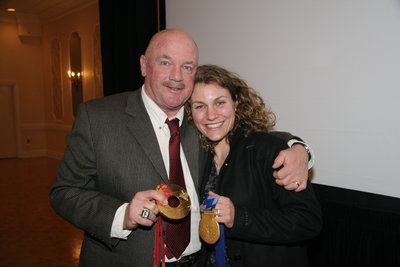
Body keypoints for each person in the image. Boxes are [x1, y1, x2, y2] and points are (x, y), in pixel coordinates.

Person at [50, 29, 313, 266]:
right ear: (144, 65)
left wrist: (298, 148)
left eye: (188, 67)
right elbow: (65, 191)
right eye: (166, 62)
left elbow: (249, 133)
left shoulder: (198, 119)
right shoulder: (98, 117)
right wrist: (122, 215)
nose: (177, 76)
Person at [187, 64, 322, 266]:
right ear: (190, 111)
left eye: (220, 102)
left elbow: (308, 220)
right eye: (200, 106)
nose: (211, 115)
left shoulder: (268, 150)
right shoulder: (198, 153)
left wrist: (239, 218)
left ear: (236, 103)